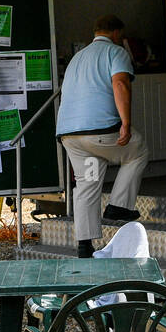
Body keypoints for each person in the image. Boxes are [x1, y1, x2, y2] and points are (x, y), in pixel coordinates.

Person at [56, 15, 149, 257]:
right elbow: (120, 84)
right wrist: (126, 124)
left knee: (87, 183)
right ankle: (120, 205)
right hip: (100, 131)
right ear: (117, 33)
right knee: (137, 150)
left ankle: (84, 244)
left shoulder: (78, 57)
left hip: (70, 136)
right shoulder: (115, 52)